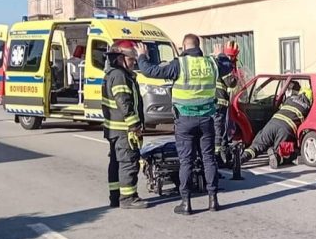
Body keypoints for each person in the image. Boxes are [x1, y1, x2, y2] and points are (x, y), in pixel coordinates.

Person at [136, 35, 232, 215]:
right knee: (208, 159)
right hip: (206, 119)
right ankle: (213, 200)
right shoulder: (210, 63)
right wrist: (221, 55)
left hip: (185, 120)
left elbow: (151, 71)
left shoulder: (179, 64)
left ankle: (186, 203)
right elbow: (228, 67)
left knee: (186, 161)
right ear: (199, 46)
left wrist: (142, 56)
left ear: (183, 47)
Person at [102, 40, 146, 209]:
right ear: (120, 58)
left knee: (116, 162)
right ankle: (128, 198)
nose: (134, 62)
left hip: (114, 128)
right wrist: (134, 125)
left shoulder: (112, 73)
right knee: (128, 161)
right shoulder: (119, 76)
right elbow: (124, 102)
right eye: (131, 58)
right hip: (123, 129)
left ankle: (115, 197)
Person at [240, 86, 312, 168]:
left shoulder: (290, 99)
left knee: (256, 146)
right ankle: (277, 156)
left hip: (273, 123)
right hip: (286, 129)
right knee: (286, 153)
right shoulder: (308, 107)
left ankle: (239, 159)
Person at [214, 41, 240, 164]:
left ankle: (219, 155)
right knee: (219, 131)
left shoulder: (216, 62)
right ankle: (218, 157)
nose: (230, 59)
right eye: (229, 56)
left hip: (216, 103)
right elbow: (231, 82)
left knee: (218, 130)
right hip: (220, 103)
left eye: (232, 57)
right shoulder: (223, 65)